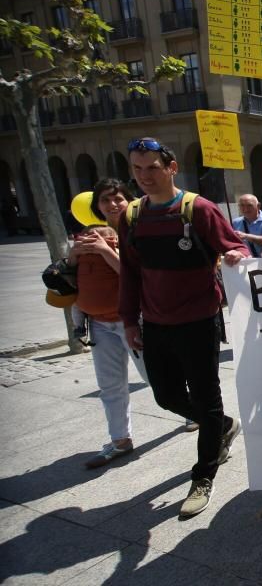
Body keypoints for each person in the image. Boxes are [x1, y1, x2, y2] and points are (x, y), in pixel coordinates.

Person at [118, 137, 249, 518]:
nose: (144, 176)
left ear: (171, 167)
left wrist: (235, 256)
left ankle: (203, 476)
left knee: (206, 399)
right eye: (137, 169)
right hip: (155, 323)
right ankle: (222, 426)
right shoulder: (131, 216)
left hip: (199, 321)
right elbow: (129, 272)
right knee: (166, 396)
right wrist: (129, 320)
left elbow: (232, 245)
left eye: (152, 168)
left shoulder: (199, 209)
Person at [67, 180, 150, 468]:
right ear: (97, 206)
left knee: (157, 378)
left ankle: (192, 414)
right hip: (100, 325)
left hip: (133, 321)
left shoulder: (139, 231)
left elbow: (137, 276)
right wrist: (73, 255)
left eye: (118, 198)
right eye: (105, 200)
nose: (113, 204)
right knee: (110, 386)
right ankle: (120, 440)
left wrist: (105, 251)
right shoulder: (87, 235)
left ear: (130, 201)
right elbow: (69, 276)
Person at [232, 194, 262, 258]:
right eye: (242, 205)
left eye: (249, 205)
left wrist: (245, 236)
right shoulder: (235, 222)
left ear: (258, 206)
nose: (245, 209)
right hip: (244, 263)